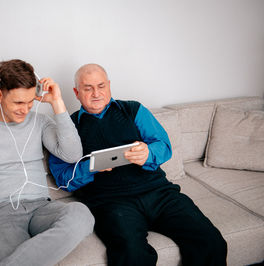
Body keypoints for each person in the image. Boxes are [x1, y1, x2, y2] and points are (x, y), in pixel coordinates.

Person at [48, 63, 227, 266]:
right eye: (88, 88)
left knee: (210, 241)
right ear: (76, 92)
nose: (96, 93)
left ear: (109, 86)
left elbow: (164, 146)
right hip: (111, 203)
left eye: (101, 86)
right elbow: (63, 179)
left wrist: (148, 153)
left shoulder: (133, 110)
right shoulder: (69, 127)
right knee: (132, 255)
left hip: (160, 193)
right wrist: (91, 167)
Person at [0, 59, 94, 266]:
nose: (25, 109)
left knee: (81, 215)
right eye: (18, 103)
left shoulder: (38, 122)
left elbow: (73, 155)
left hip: (42, 208)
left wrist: (57, 103)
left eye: (30, 101)